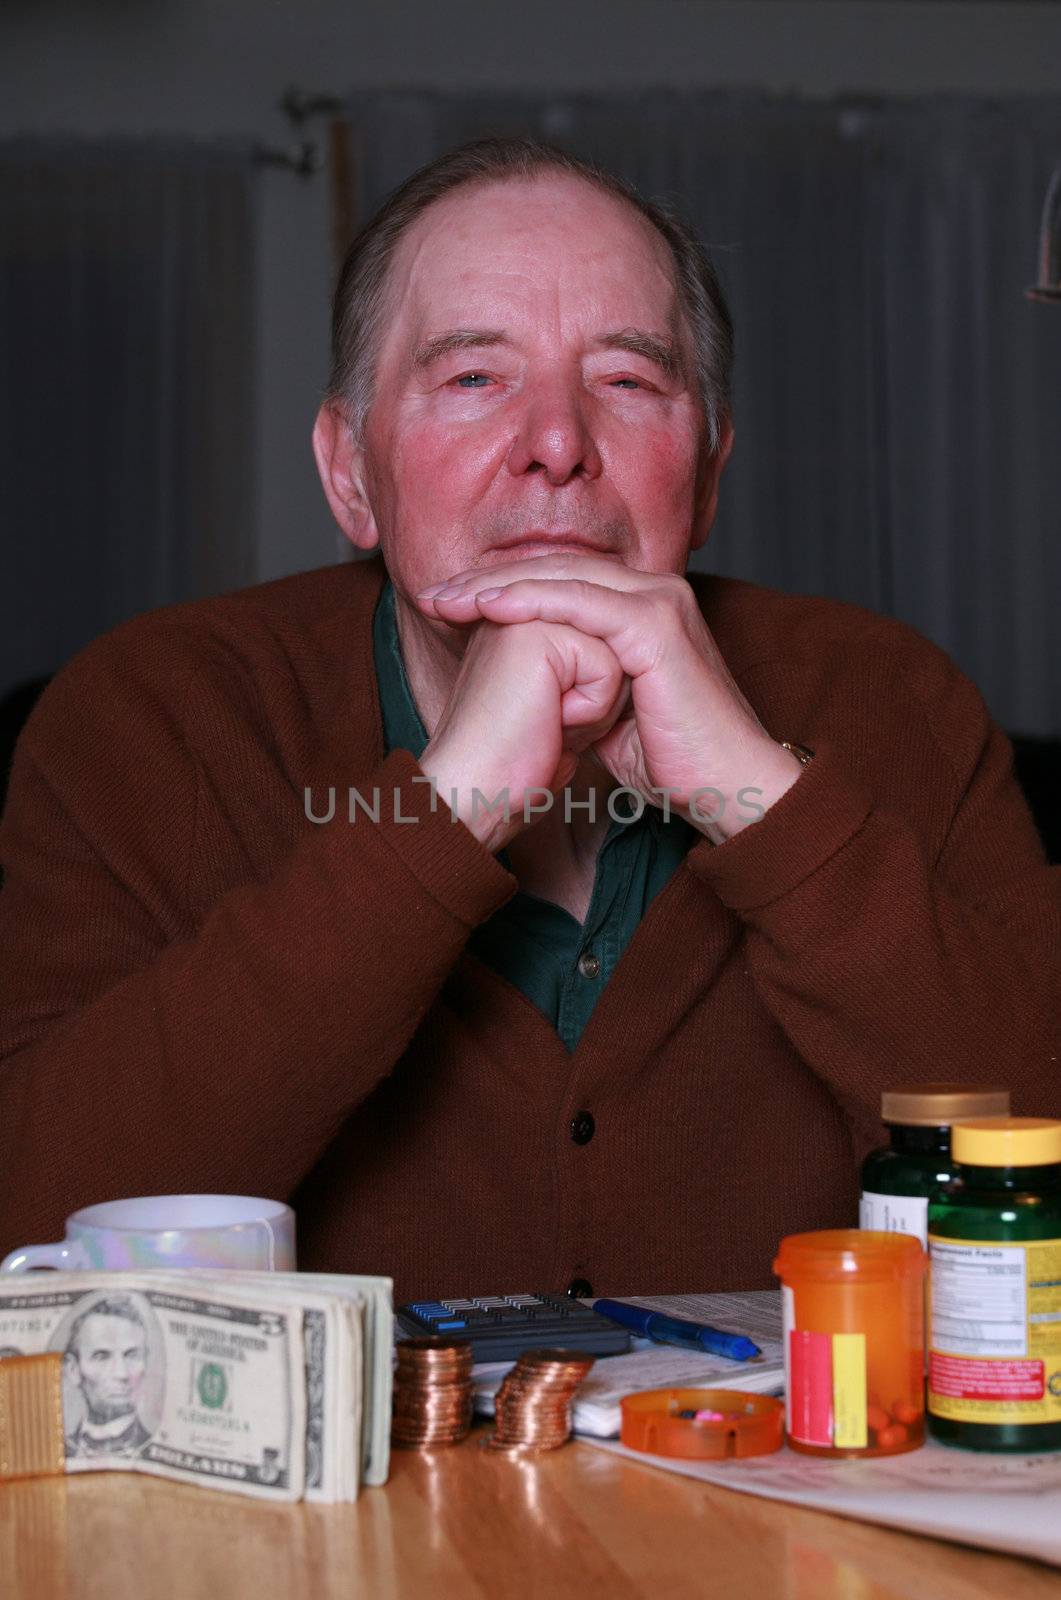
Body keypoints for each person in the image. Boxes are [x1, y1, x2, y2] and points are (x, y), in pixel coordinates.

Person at [0, 138, 1057, 1304]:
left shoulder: (895, 700)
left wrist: (756, 800)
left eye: (624, 380)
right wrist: (443, 814)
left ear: (705, 475)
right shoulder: (150, 717)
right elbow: (33, 1227)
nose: (557, 443)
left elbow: (1034, 1170)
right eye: (471, 379)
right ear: (349, 473)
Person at [63, 1295, 152, 1458]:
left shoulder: (156, 1449)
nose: (122, 1374)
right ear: (73, 1370)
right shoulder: (59, 1451)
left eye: (131, 1355)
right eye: (101, 1357)